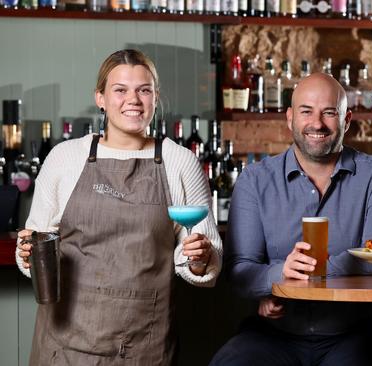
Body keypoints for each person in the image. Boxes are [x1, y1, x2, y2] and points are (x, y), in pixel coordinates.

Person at [16, 49, 222, 365]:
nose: (134, 100)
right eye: (120, 90)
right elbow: (36, 250)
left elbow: (204, 263)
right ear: (100, 98)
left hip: (144, 346)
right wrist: (27, 252)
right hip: (66, 347)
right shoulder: (64, 158)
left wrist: (201, 257)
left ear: (155, 98)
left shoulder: (180, 162)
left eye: (144, 90)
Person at [209, 72, 372, 366]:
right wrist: (280, 273)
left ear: (347, 120)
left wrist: (295, 279)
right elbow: (239, 272)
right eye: (306, 111)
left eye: (329, 113)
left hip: (351, 336)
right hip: (271, 336)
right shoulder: (254, 181)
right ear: (289, 118)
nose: (317, 124)